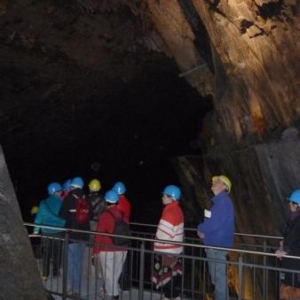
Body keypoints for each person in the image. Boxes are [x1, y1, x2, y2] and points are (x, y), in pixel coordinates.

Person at [197, 175, 234, 300]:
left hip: (217, 247)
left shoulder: (223, 202)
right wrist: (205, 233)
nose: (214, 182)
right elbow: (215, 223)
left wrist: (201, 228)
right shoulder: (219, 203)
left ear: (224, 187)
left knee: (219, 282)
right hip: (214, 245)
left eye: (218, 181)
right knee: (217, 280)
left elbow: (214, 224)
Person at [59, 176, 91, 297]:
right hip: (84, 236)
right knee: (78, 262)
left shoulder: (68, 199)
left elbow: (62, 214)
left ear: (72, 186)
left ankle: (72, 289)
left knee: (71, 263)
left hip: (71, 235)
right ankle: (76, 289)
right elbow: (91, 215)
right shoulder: (86, 199)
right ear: (82, 186)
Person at [93, 190, 128, 300]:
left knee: (109, 274)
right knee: (115, 274)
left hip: (107, 249)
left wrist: (95, 252)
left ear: (105, 202)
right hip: (123, 248)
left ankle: (114, 296)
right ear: (117, 202)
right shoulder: (123, 215)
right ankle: (108, 290)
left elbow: (99, 235)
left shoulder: (104, 216)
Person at [151, 185, 184, 300]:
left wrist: (156, 237)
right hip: (175, 250)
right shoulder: (177, 210)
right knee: (173, 278)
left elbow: (162, 235)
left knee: (167, 279)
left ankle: (168, 297)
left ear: (171, 197)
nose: (162, 197)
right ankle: (175, 297)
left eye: (164, 195)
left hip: (167, 251)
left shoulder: (170, 213)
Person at [33, 182, 66, 281]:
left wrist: (35, 231)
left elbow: (38, 218)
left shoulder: (43, 203)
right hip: (59, 232)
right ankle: (55, 273)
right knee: (57, 253)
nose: (61, 193)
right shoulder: (62, 203)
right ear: (55, 192)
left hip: (46, 232)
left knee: (46, 253)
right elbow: (65, 218)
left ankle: (45, 274)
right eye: (60, 191)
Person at [276, 189, 300, 299]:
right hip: (293, 264)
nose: (289, 204)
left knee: (290, 293)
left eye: (292, 202)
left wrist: (284, 250)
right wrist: (284, 244)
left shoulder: (297, 220)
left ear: (298, 205)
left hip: (294, 265)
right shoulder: (294, 218)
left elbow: (293, 238)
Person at [112, 181, 131, 290]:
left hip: (118, 233)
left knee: (118, 261)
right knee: (123, 259)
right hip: (126, 232)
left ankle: (120, 284)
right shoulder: (127, 202)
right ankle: (125, 285)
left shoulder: (118, 204)